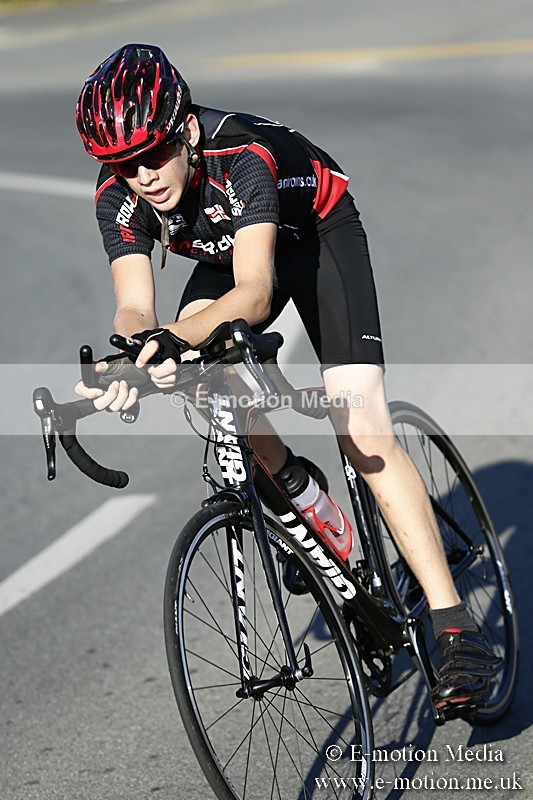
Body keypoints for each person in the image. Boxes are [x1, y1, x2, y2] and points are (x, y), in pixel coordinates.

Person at [75, 43, 499, 715]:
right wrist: (126, 354)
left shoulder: (242, 156)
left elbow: (251, 290)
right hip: (227, 250)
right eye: (125, 166)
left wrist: (166, 341)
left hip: (314, 238)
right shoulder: (119, 191)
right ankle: (297, 488)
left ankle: (453, 627)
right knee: (197, 374)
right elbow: (134, 305)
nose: (144, 177)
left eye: (153, 154)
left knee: (358, 427)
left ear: (184, 130)